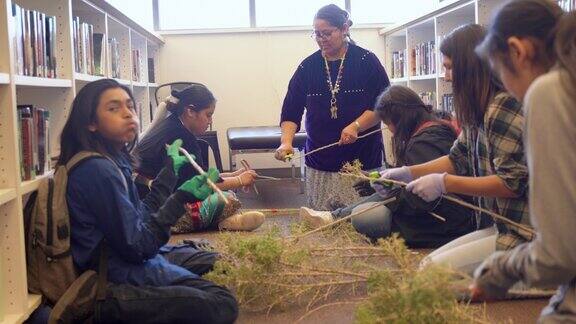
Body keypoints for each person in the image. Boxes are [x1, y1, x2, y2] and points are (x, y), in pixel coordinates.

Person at [59, 79, 238, 323]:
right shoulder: (98, 170)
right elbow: (139, 247)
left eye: (129, 106)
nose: (128, 114)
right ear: (90, 122)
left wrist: (168, 175)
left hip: (131, 255)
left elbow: (141, 215)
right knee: (221, 302)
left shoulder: (114, 158)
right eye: (114, 108)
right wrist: (180, 199)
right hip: (112, 273)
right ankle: (103, 310)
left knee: (218, 262)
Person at [379, 24, 533, 275]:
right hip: (502, 226)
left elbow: (512, 183)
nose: (446, 76)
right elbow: (456, 158)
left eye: (450, 67)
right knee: (428, 266)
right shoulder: (477, 111)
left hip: (527, 234)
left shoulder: (502, 107)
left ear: (472, 66)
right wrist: (407, 172)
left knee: (433, 275)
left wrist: (445, 183)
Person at [469, 1, 576, 321]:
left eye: (500, 73)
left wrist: (499, 271)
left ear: (518, 51)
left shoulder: (551, 91)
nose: (508, 90)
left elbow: (560, 254)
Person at [300, 85, 475, 248]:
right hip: (444, 211)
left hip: (447, 221)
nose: (390, 129)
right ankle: (334, 216)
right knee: (373, 204)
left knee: (365, 218)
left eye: (388, 122)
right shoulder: (433, 128)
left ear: (401, 118)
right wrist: (381, 182)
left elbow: (419, 199)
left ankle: (335, 217)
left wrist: (389, 191)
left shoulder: (425, 142)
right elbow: (411, 177)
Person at [275, 4, 390, 210]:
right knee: (321, 223)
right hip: (320, 160)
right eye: (316, 34)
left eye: (327, 33)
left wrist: (356, 126)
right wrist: (286, 142)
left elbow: (382, 106)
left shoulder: (366, 61)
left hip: (361, 159)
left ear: (344, 28)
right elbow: (291, 111)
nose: (321, 39)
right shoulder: (307, 67)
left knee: (362, 221)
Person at [133, 84, 265, 233]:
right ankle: (224, 221)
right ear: (190, 111)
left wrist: (234, 175)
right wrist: (239, 181)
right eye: (208, 115)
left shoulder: (173, 126)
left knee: (224, 194)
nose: (210, 121)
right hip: (154, 209)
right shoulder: (182, 138)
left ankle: (228, 221)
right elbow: (201, 185)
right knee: (227, 199)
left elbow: (197, 177)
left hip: (145, 201)